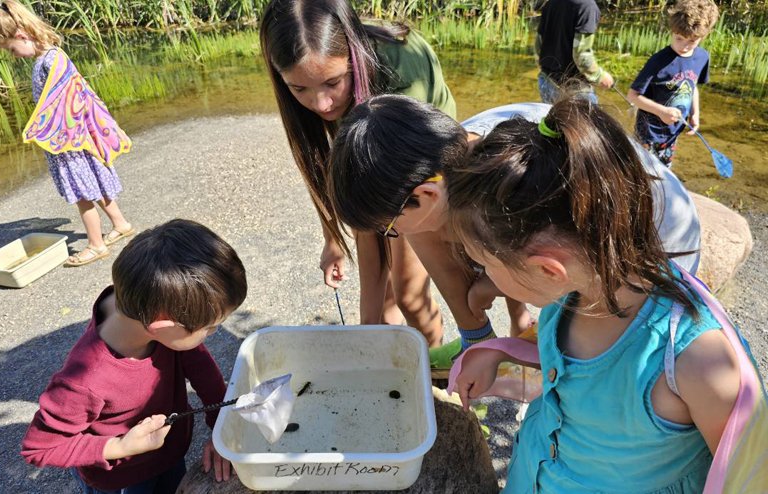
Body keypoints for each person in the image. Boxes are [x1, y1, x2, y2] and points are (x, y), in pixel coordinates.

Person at [448, 96, 748, 492]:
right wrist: (502, 352)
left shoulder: (695, 362)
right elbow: (580, 374)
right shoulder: (573, 294)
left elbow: (744, 474)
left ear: (546, 269)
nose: (483, 276)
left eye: (485, 263)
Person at [329, 95, 701, 368]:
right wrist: (477, 335)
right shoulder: (445, 165)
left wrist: (487, 294)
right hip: (584, 240)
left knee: (594, 360)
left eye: (388, 229)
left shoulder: (505, 197)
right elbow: (429, 240)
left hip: (651, 246)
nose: (392, 236)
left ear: (425, 195)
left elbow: (554, 277)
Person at [260, 0, 456, 347]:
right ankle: (387, 353)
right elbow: (322, 164)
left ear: (354, 55)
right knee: (381, 307)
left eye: (332, 82)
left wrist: (367, 320)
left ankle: (434, 374)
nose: (321, 105)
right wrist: (332, 240)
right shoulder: (315, 88)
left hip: (424, 164)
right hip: (374, 154)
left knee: (409, 293)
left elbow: (391, 204)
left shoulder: (400, 65)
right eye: (299, 89)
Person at [20, 219, 247, 492]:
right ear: (163, 325)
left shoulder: (145, 305)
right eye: (210, 328)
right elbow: (39, 448)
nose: (214, 333)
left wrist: (223, 430)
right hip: (122, 479)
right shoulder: (85, 381)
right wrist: (119, 446)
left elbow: (198, 364)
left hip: (166, 455)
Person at [0, 0, 134, 267]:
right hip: (73, 139)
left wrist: (45, 130)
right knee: (92, 184)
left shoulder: (51, 61)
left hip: (70, 142)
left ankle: (96, 244)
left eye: (11, 48)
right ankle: (120, 223)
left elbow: (68, 102)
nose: (12, 55)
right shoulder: (48, 58)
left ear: (21, 35)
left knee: (82, 193)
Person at [627, 0, 719, 166]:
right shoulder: (658, 61)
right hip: (648, 134)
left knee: (664, 172)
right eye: (679, 39)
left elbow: (692, 86)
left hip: (672, 134)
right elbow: (633, 96)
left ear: (703, 37)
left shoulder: (702, 57)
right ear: (672, 31)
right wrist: (662, 111)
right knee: (640, 171)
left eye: (691, 41)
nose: (684, 46)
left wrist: (694, 114)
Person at [535, 0, 614, 104]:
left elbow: (538, 44)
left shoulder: (551, 3)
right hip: (575, 91)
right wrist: (600, 76)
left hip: (547, 82)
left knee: (551, 120)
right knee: (586, 121)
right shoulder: (587, 7)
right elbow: (581, 56)